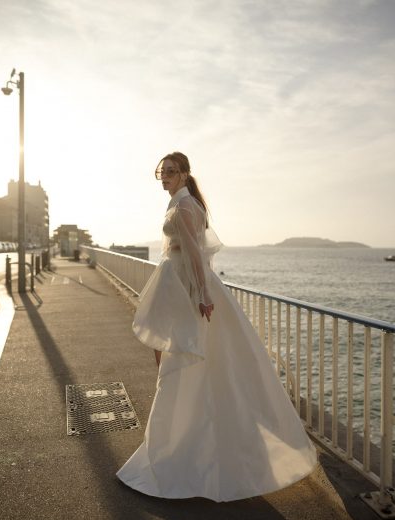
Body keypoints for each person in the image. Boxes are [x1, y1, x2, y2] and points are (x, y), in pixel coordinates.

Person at [116, 152, 317, 502]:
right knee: (183, 363)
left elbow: (196, 255)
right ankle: (186, 442)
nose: (164, 178)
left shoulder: (185, 207)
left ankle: (187, 449)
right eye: (161, 173)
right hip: (179, 287)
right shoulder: (183, 204)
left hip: (189, 291)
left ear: (184, 174)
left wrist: (203, 295)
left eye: (171, 173)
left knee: (188, 365)